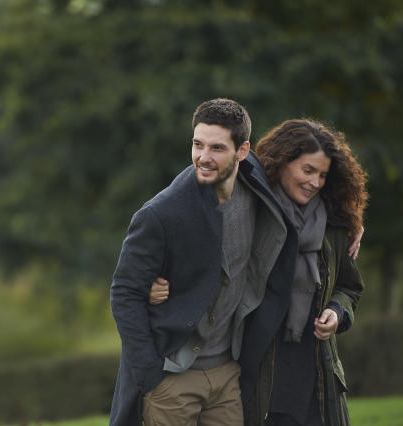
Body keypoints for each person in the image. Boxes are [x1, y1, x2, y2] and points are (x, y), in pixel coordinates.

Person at [152, 119, 367, 425]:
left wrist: (337, 311)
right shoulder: (251, 211)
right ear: (281, 163)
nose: (315, 182)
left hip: (319, 381)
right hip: (259, 377)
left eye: (322, 175)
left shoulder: (335, 225)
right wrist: (153, 282)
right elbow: (200, 261)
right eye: (308, 170)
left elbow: (350, 287)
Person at [109, 98, 299, 426]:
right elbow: (124, 294)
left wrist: (351, 222)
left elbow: (312, 177)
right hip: (172, 377)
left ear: (242, 151)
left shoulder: (255, 181)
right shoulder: (160, 214)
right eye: (197, 144)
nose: (203, 157)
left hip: (228, 374)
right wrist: (151, 377)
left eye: (217, 148)